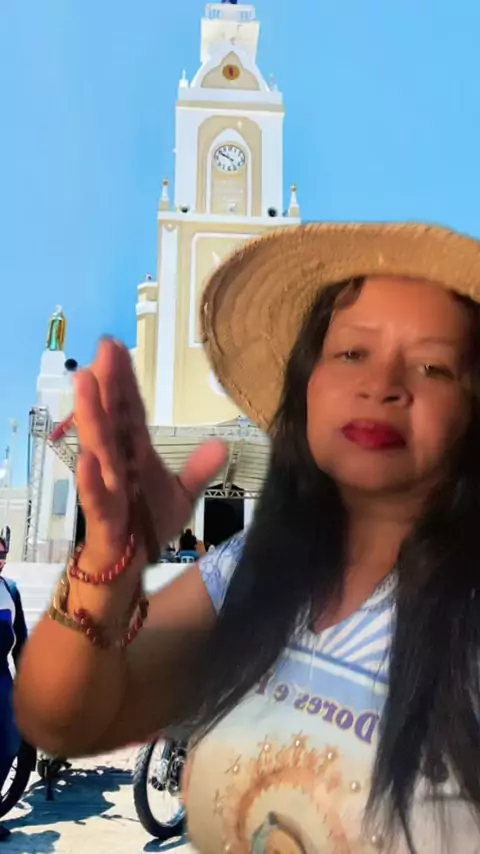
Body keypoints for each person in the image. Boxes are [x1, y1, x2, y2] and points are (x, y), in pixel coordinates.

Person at [13, 221, 480, 853]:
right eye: (351, 353)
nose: (381, 385)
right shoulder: (245, 569)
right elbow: (63, 718)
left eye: (432, 365)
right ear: (306, 385)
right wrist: (104, 568)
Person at [0, 537, 27, 839]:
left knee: (10, 743)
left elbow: (20, 641)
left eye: (2, 554)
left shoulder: (10, 590)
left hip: (1, 676)